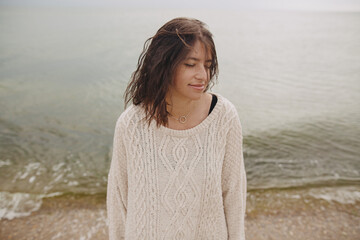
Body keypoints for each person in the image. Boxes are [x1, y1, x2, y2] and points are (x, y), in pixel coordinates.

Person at [107, 17, 246, 240]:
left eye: (208, 66)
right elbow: (118, 201)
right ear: (164, 63)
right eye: (190, 64)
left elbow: (234, 194)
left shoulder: (224, 117)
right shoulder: (131, 124)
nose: (202, 75)